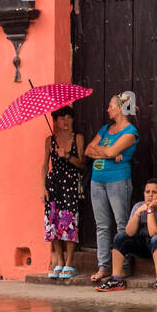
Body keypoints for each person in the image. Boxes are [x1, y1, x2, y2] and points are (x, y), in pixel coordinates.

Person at [83, 93, 139, 282]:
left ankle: (122, 267)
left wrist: (105, 151)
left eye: (111, 106)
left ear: (121, 108)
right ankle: (103, 266)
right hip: (97, 181)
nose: (108, 109)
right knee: (102, 226)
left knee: (121, 224)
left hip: (118, 181)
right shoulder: (106, 128)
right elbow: (88, 150)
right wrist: (105, 153)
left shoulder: (130, 132)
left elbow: (111, 150)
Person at [95, 179, 157, 294]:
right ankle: (116, 279)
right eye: (147, 192)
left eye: (154, 192)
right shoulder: (138, 206)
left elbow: (154, 233)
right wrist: (137, 214)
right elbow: (129, 232)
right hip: (148, 245)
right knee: (120, 237)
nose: (150, 195)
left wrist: (150, 210)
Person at [42, 106, 86, 279]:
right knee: (53, 222)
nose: (66, 121)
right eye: (61, 118)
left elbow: (82, 163)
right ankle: (59, 261)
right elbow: (45, 165)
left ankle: (70, 262)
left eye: (68, 117)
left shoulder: (78, 139)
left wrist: (66, 155)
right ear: (55, 121)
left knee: (69, 222)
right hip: (54, 184)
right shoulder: (49, 141)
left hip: (70, 182)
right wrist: (42, 187)